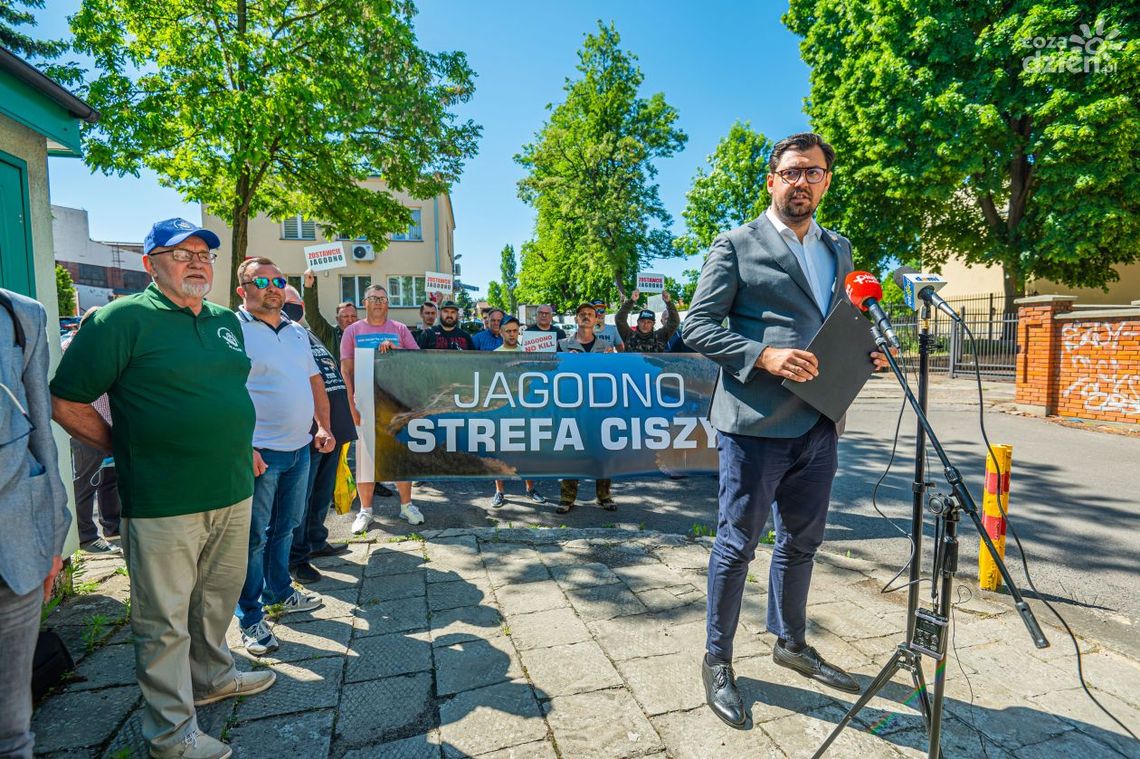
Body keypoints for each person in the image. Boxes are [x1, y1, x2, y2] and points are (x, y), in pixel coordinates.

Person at [682, 133, 890, 729]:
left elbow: (842, 322)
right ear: (772, 179)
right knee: (737, 543)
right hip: (753, 425)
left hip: (820, 422)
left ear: (826, 181)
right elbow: (698, 325)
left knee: (802, 542)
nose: (803, 182)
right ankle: (718, 661)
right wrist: (763, 356)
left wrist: (866, 350)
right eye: (792, 172)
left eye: (815, 173)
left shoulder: (840, 249)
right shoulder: (736, 245)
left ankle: (789, 642)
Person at [51, 218, 275, 759]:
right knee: (164, 621)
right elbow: (66, 402)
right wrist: (125, 448)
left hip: (231, 488)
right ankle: (172, 736)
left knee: (216, 601)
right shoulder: (120, 318)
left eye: (204, 253)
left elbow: (222, 391)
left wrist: (240, 446)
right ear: (150, 264)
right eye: (180, 253)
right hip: (162, 501)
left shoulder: (224, 320)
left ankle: (214, 677)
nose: (197, 261)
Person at [234, 259, 332, 655]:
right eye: (262, 281)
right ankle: (250, 617)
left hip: (299, 449)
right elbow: (226, 391)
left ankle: (280, 590)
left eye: (279, 281)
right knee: (254, 536)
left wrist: (322, 426)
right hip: (260, 453)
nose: (273, 287)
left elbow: (313, 380)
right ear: (243, 289)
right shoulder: (231, 330)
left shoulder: (295, 332)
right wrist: (244, 445)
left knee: (286, 527)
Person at [1, 289, 70, 759]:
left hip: (16, 542)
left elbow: (42, 432)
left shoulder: (20, 314)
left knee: (12, 728)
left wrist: (52, 535)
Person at [281, 287, 355, 586]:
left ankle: (315, 539)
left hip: (331, 428)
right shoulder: (281, 334)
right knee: (302, 497)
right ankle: (296, 558)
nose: (295, 306)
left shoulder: (302, 332)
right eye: (292, 302)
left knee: (321, 494)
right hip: (309, 432)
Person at [340, 284, 423, 530]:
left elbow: (419, 362)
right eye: (373, 298)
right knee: (365, 460)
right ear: (364, 303)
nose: (378, 302)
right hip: (365, 404)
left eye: (382, 298)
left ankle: (407, 506)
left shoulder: (400, 329)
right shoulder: (353, 331)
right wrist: (351, 406)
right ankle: (365, 511)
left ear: (388, 303)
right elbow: (346, 371)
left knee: (400, 457)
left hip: (397, 403)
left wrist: (398, 352)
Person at [64, 306, 122, 554]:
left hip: (109, 424)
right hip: (85, 426)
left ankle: (113, 529)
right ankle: (85, 536)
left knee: (110, 481)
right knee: (84, 482)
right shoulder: (73, 348)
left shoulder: (106, 348)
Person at [556, 303, 616, 514]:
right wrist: (564, 361)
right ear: (576, 319)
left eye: (590, 315)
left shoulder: (605, 348)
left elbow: (613, 375)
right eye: (582, 315)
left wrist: (611, 361)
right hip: (571, 405)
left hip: (599, 405)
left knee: (602, 450)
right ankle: (567, 497)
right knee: (570, 450)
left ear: (596, 319)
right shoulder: (563, 344)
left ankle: (604, 495)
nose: (586, 317)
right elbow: (550, 370)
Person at [490, 317, 546, 507]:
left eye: (515, 331)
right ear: (501, 332)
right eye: (508, 331)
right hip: (503, 408)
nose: (512, 334)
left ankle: (530, 489)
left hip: (526, 407)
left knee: (526, 450)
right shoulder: (493, 355)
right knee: (500, 451)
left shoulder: (528, 351)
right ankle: (499, 492)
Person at [302, 269, 358, 355]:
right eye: (345, 316)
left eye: (353, 316)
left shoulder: (363, 333)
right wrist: (308, 287)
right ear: (337, 319)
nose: (350, 320)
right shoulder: (330, 334)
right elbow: (312, 315)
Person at [616, 290, 680, 353]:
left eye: (649, 322)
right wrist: (631, 301)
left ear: (653, 324)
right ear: (638, 322)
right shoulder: (628, 335)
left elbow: (674, 322)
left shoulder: (660, 336)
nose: (645, 325)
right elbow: (620, 319)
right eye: (642, 321)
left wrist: (668, 302)